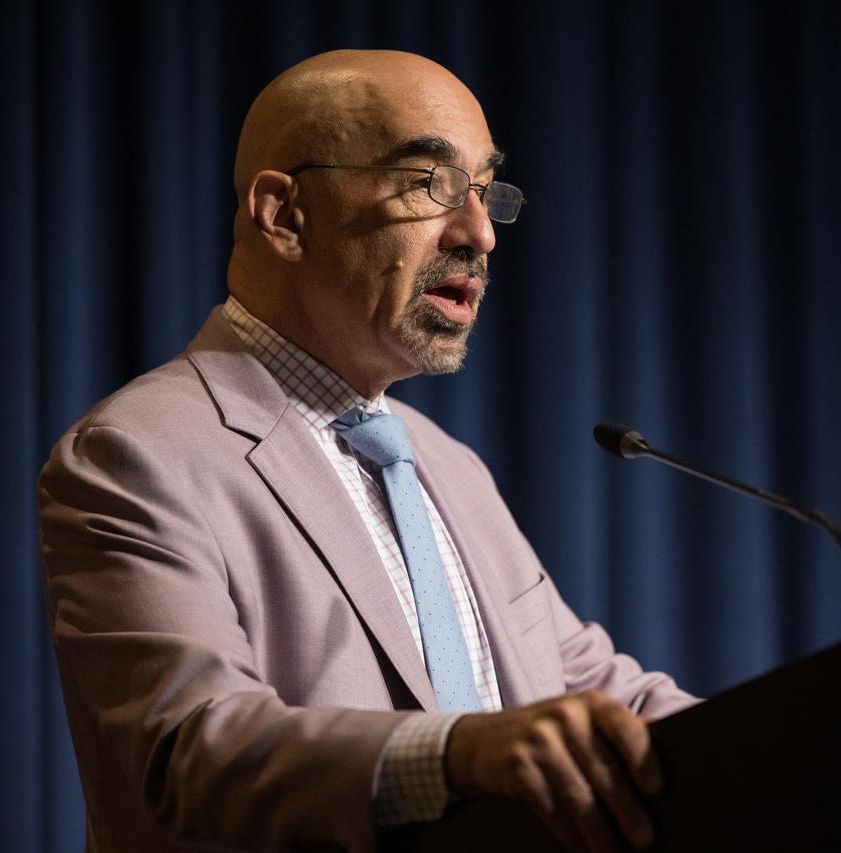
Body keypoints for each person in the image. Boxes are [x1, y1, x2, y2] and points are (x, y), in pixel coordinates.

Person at [38, 49, 697, 853]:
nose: (481, 233)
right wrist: (459, 753)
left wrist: (835, 726)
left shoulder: (446, 462)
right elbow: (193, 747)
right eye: (430, 184)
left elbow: (598, 694)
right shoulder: (133, 454)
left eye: (486, 192)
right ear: (283, 214)